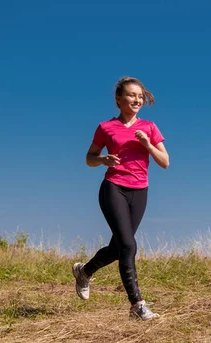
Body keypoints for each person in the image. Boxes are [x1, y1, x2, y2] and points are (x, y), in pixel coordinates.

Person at [72, 76, 169, 320]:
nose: (137, 99)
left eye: (140, 96)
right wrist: (103, 159)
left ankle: (85, 271)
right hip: (113, 187)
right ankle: (137, 305)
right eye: (131, 95)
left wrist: (148, 144)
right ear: (118, 99)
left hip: (140, 191)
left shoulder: (149, 127)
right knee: (128, 245)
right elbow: (89, 158)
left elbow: (165, 162)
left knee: (119, 247)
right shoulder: (105, 127)